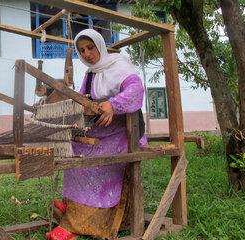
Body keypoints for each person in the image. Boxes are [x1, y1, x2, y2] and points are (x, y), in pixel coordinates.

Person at [46, 29, 146, 240]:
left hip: (122, 132)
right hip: (101, 130)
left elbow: (136, 90)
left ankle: (79, 222)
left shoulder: (118, 65)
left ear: (100, 45)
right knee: (75, 150)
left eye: (90, 48)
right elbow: (83, 99)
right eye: (81, 51)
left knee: (97, 163)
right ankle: (72, 205)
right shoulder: (90, 74)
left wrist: (112, 105)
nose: (87, 54)